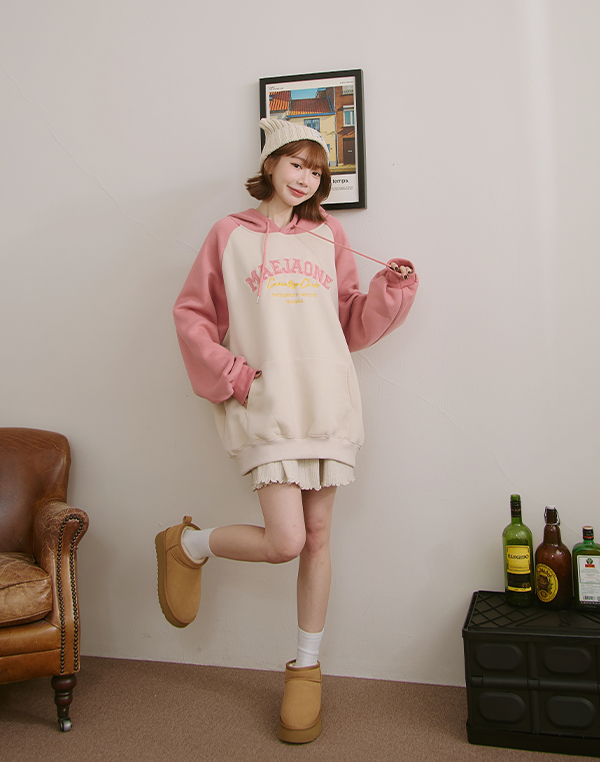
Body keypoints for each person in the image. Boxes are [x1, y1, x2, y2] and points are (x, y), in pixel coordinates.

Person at [156, 118, 418, 744]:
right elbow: (193, 314)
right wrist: (234, 376)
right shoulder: (229, 234)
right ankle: (190, 545)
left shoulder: (330, 234)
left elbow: (348, 322)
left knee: (318, 538)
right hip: (270, 404)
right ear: (270, 163)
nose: (305, 178)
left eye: (316, 169)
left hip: (328, 403)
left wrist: (390, 289)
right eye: (296, 163)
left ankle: (305, 669)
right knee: (285, 541)